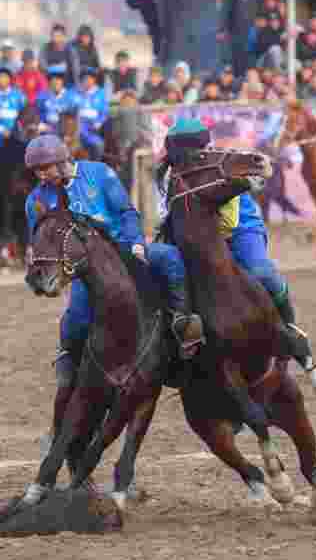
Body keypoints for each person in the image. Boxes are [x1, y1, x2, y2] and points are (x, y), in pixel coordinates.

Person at [24, 134, 204, 393]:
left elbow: (126, 212)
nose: (41, 175)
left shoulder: (99, 174)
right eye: (36, 171)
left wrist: (137, 242)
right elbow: (40, 242)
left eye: (45, 168)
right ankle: (67, 359)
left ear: (62, 160)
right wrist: (41, 269)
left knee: (169, 257)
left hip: (125, 249)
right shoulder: (36, 200)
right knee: (76, 318)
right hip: (86, 268)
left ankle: (182, 321)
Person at [157, 118, 308, 342]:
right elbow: (165, 214)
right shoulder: (166, 176)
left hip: (240, 228)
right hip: (195, 233)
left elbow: (228, 221)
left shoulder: (221, 164)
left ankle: (290, 328)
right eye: (198, 149)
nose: (205, 151)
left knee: (260, 271)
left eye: (204, 148)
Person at [219, 0, 263, 77]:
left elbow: (262, 12)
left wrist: (260, 21)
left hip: (252, 32)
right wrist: (222, 29)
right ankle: (237, 79)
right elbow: (226, 11)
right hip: (236, 32)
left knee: (250, 59)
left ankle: (250, 79)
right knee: (236, 59)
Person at [72, 67, 109, 160]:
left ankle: (95, 165)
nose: (87, 81)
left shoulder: (100, 93)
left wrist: (98, 122)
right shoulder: (75, 92)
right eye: (85, 79)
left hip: (93, 129)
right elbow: (70, 109)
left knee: (98, 145)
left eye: (90, 78)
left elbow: (104, 112)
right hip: (76, 128)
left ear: (94, 80)